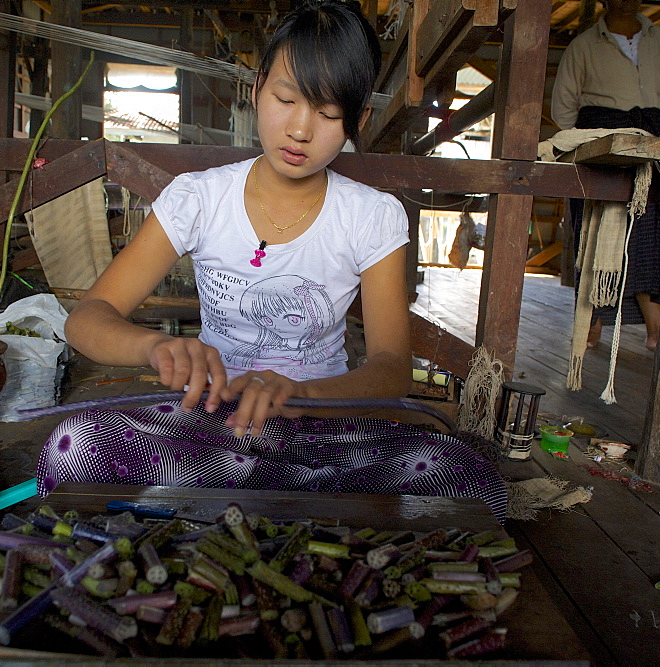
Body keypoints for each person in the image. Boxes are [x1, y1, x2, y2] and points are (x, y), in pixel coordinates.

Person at [36, 0, 507, 521]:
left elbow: (392, 368)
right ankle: (280, 509)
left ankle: (229, 508)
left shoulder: (373, 216)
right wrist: (157, 347)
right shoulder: (198, 198)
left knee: (474, 480)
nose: (300, 130)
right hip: (211, 421)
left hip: (326, 426)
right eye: (286, 99)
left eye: (328, 114)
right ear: (257, 88)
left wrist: (303, 395)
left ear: (358, 120)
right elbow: (88, 317)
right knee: (72, 447)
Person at [551, 0, 660, 351]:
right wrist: (596, 140)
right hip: (597, 145)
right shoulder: (584, 45)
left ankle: (655, 331)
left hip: (649, 146)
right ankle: (590, 326)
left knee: (646, 235)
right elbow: (563, 111)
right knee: (594, 233)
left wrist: (659, 142)